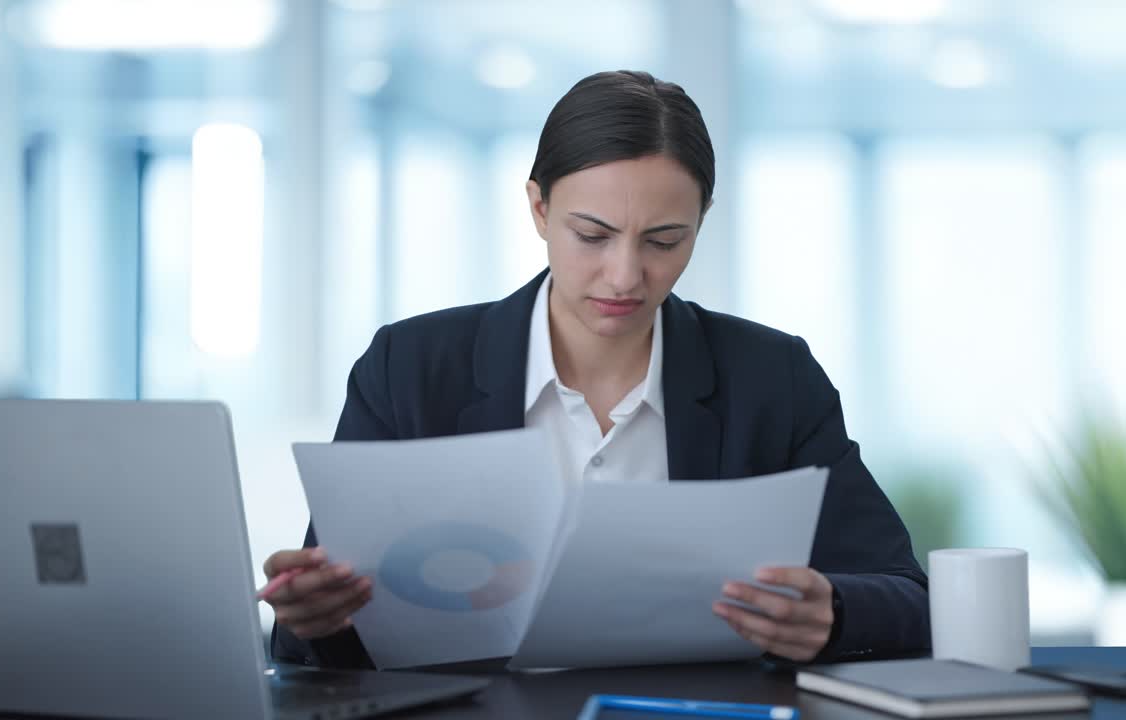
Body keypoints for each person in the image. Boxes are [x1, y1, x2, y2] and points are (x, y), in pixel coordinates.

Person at [265, 70, 929, 669]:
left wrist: (831, 611)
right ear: (539, 210)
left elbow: (905, 597)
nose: (626, 275)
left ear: (701, 223)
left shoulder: (772, 378)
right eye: (592, 235)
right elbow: (308, 643)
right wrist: (317, 616)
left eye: (665, 241)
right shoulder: (409, 368)